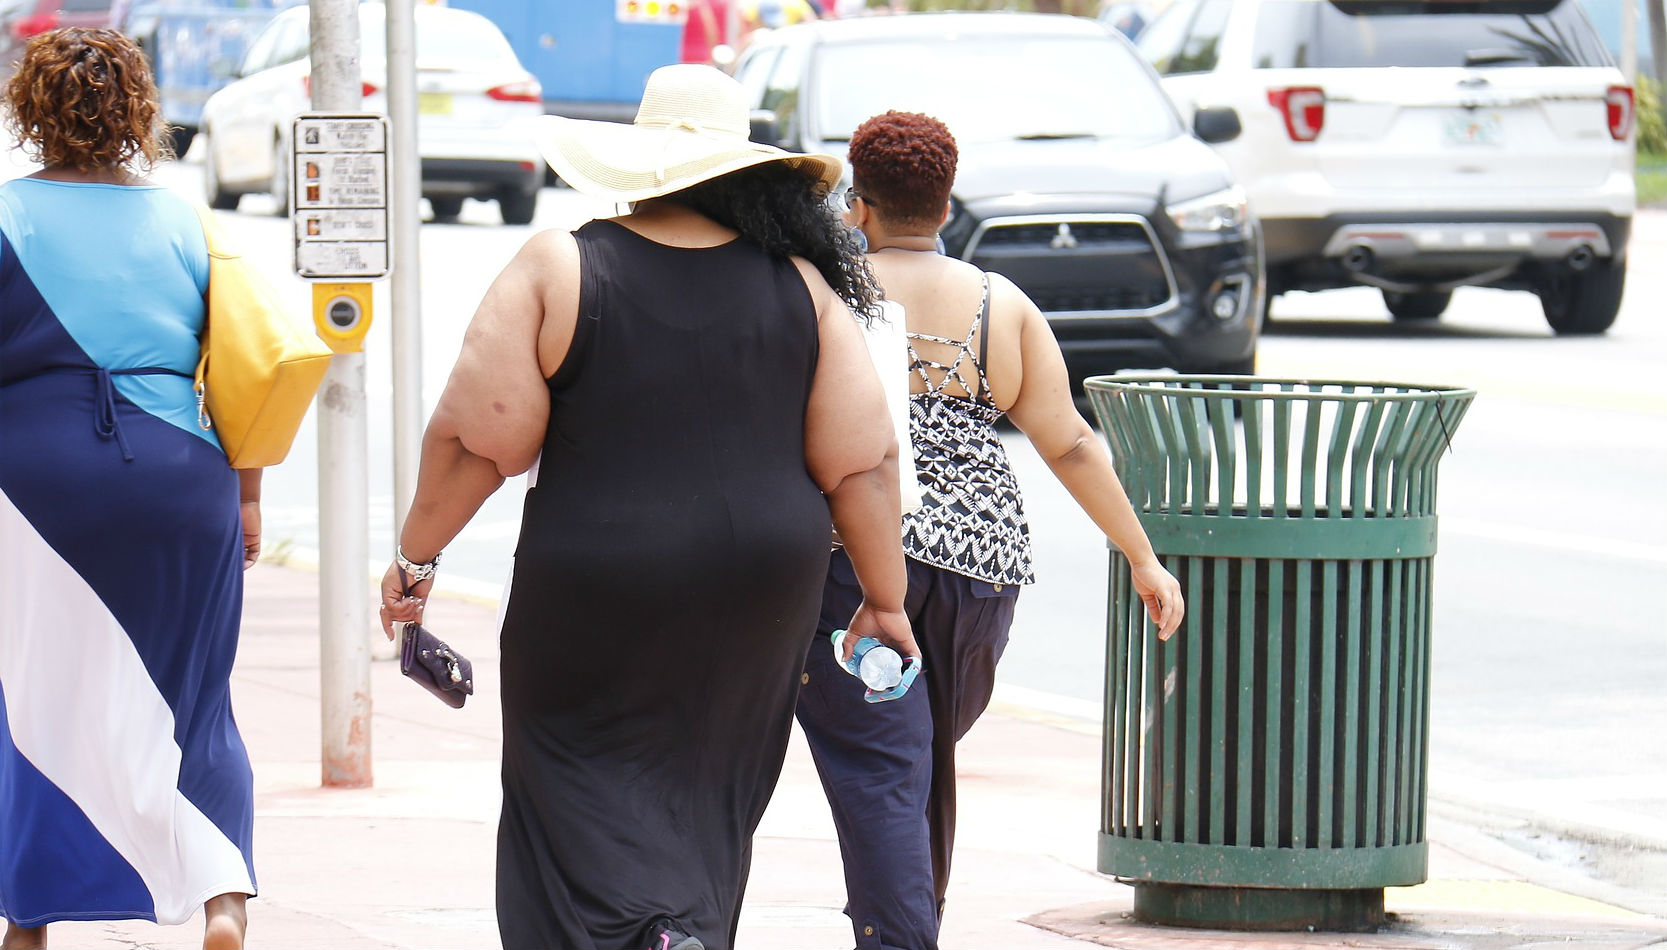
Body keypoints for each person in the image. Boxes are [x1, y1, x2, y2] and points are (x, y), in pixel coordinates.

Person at [376, 64, 918, 950]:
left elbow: (480, 440)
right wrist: (884, 600)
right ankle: (679, 928)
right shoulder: (803, 286)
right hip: (762, 585)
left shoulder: (565, 262)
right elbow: (862, 464)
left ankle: (633, 934)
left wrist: (417, 558)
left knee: (572, 771)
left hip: (600, 572)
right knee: (712, 784)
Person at [793, 110, 1186, 950]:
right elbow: (1071, 442)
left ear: (857, 205)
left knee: (884, 766)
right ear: (946, 204)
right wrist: (1142, 558)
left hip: (858, 564)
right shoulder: (995, 303)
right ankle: (904, 923)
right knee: (916, 760)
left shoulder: (824, 292)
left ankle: (900, 936)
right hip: (981, 569)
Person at [0, 28, 259, 950]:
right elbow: (245, 367)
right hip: (185, 475)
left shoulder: (5, 215)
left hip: (37, 483)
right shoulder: (188, 220)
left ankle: (30, 920)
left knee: (38, 696)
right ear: (136, 113)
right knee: (196, 696)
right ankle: (222, 893)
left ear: (32, 110)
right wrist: (249, 498)